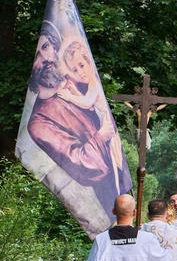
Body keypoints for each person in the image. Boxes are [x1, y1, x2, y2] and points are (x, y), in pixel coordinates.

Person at [26, 24, 128, 219]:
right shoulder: (39, 122)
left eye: (46, 47)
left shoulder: (77, 81)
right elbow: (83, 163)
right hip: (105, 197)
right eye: (37, 55)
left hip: (119, 173)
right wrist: (102, 135)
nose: (45, 58)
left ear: (55, 48)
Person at [58, 40, 124, 194]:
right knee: (112, 165)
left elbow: (87, 103)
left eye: (81, 65)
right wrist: (75, 92)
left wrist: (69, 96)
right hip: (105, 133)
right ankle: (117, 194)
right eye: (74, 70)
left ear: (89, 62)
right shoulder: (90, 86)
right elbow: (90, 102)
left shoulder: (94, 82)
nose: (80, 72)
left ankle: (118, 194)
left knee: (115, 166)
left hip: (110, 133)